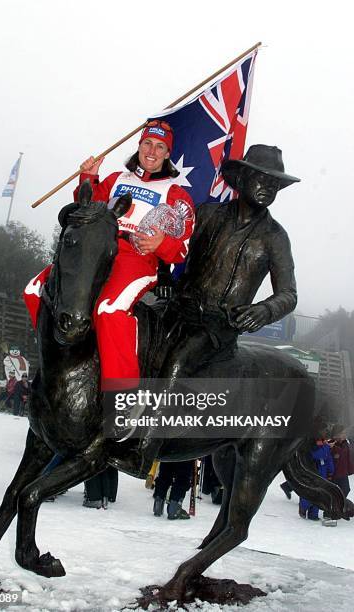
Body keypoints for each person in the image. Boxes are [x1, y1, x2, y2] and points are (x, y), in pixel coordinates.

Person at [138, 144, 301, 470]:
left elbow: (288, 294)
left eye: (274, 184)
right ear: (240, 178)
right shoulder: (207, 214)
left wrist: (263, 310)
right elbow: (171, 247)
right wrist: (163, 274)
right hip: (177, 308)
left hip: (218, 327)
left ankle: (144, 445)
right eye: (261, 179)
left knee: (179, 361)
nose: (267, 188)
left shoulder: (275, 237)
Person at [71, 121, 194, 476]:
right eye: (147, 144)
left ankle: (125, 403)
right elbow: (86, 209)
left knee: (110, 310)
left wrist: (161, 244)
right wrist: (88, 179)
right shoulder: (116, 179)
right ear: (139, 145)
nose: (152, 152)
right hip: (99, 252)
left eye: (160, 148)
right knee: (36, 290)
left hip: (137, 259)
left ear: (169, 154)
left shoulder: (176, 192)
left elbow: (183, 247)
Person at [299, 439, 334, 520]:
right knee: (310, 492)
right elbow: (317, 455)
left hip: (323, 475)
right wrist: (326, 446)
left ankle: (313, 514)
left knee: (319, 495)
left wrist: (331, 472)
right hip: (313, 474)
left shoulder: (325, 448)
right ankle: (303, 507)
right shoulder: (313, 447)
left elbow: (329, 460)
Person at [329, 433, 354, 500]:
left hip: (343, 472)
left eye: (344, 433)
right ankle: (334, 506)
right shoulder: (331, 444)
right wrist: (330, 448)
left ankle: (337, 504)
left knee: (346, 489)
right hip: (334, 474)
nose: (344, 436)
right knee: (332, 492)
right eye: (342, 434)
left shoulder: (346, 443)